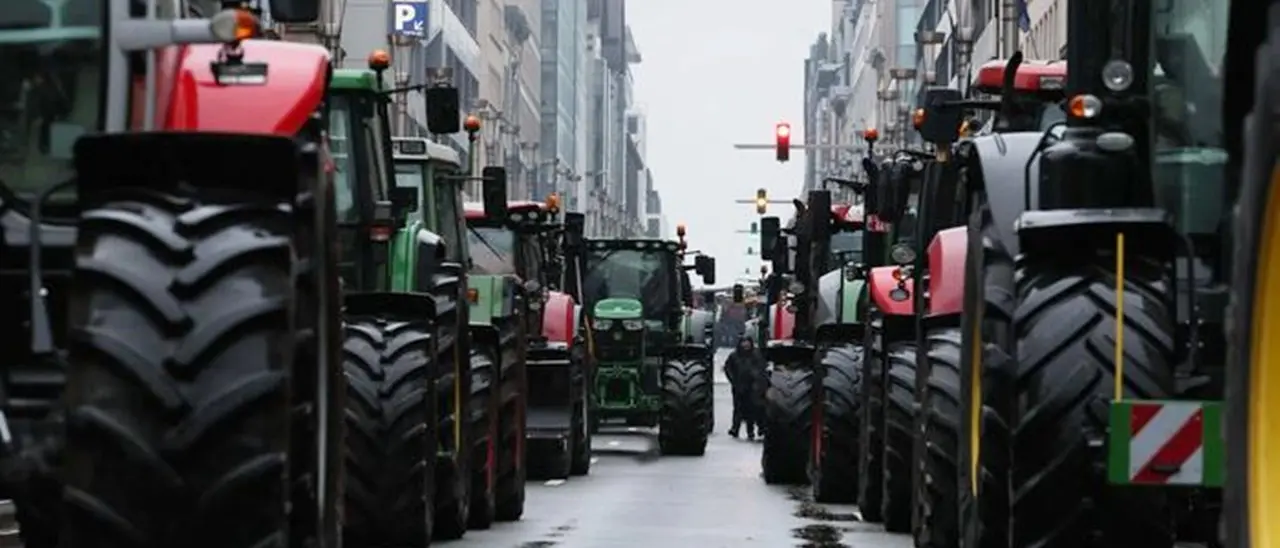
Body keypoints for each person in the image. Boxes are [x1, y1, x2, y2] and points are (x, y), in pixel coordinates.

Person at [724, 335, 766, 439]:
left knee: (752, 409)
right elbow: (728, 369)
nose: (745, 344)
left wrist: (758, 381)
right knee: (738, 408)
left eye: (747, 342)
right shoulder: (734, 356)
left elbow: (761, 369)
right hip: (739, 386)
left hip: (753, 388)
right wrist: (733, 381)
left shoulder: (756, 355)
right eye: (743, 342)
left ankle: (750, 431)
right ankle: (735, 429)